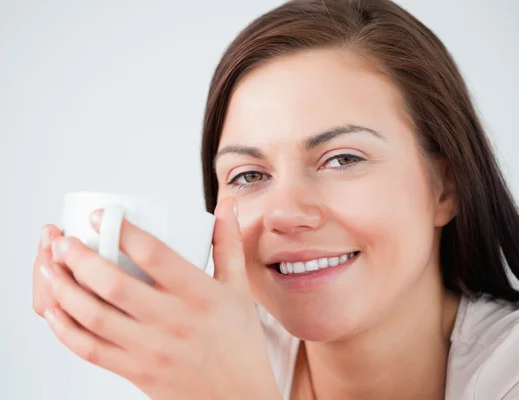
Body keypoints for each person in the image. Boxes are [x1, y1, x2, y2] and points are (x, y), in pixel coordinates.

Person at [32, 0, 519, 399]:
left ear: (445, 187)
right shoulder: (203, 355)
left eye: (342, 159)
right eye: (248, 174)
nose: (286, 214)